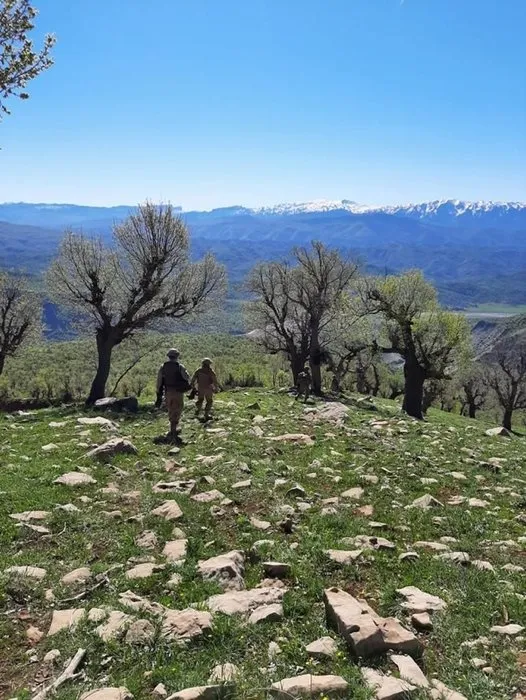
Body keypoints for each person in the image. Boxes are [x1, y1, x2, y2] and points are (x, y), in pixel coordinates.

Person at [156, 348, 191, 441]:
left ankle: (172, 428)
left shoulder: (163, 366)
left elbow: (159, 381)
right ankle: (174, 430)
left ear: (168, 356)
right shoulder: (180, 366)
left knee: (170, 408)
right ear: (177, 356)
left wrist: (158, 392)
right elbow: (186, 377)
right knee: (178, 408)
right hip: (178, 392)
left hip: (168, 391)